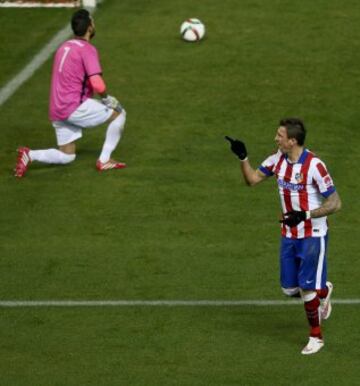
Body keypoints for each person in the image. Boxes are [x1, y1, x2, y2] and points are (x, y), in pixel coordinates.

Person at [225, 118, 341, 355]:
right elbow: (252, 180)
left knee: (306, 289)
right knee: (289, 288)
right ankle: (323, 291)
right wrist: (242, 157)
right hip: (289, 232)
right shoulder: (277, 159)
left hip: (313, 234)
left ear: (292, 141)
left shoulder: (315, 166)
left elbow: (336, 203)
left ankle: (316, 337)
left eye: (279, 135)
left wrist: (305, 214)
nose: (275, 138)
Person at [15, 8, 126, 177]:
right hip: (73, 106)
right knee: (119, 113)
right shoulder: (87, 49)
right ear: (89, 27)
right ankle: (104, 160)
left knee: (67, 156)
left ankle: (29, 155)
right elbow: (98, 84)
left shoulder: (63, 47)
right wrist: (107, 99)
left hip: (57, 109)